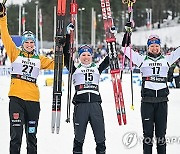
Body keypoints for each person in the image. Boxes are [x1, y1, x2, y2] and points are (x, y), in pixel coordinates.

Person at [0, 4, 57, 154]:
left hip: (33, 101)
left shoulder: (40, 58)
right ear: (23, 43)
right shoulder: (15, 53)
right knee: (16, 136)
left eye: (32, 42)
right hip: (16, 100)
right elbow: (5, 35)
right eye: (27, 42)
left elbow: (59, 63)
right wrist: (2, 17)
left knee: (31, 136)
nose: (30, 44)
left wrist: (62, 49)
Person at [121, 22, 180, 154]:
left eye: (156, 46)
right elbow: (125, 49)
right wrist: (128, 32)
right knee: (148, 136)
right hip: (147, 102)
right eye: (152, 46)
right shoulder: (142, 59)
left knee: (161, 136)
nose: (154, 48)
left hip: (162, 102)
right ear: (148, 47)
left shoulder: (167, 59)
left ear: (160, 47)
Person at [64, 24, 109, 154]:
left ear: (91, 56)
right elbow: (66, 57)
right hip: (81, 106)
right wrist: (68, 36)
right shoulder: (75, 69)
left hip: (95, 106)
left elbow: (110, 58)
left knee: (100, 139)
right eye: (83, 54)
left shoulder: (97, 68)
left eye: (88, 55)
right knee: (78, 139)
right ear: (79, 57)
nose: (85, 57)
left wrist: (112, 39)